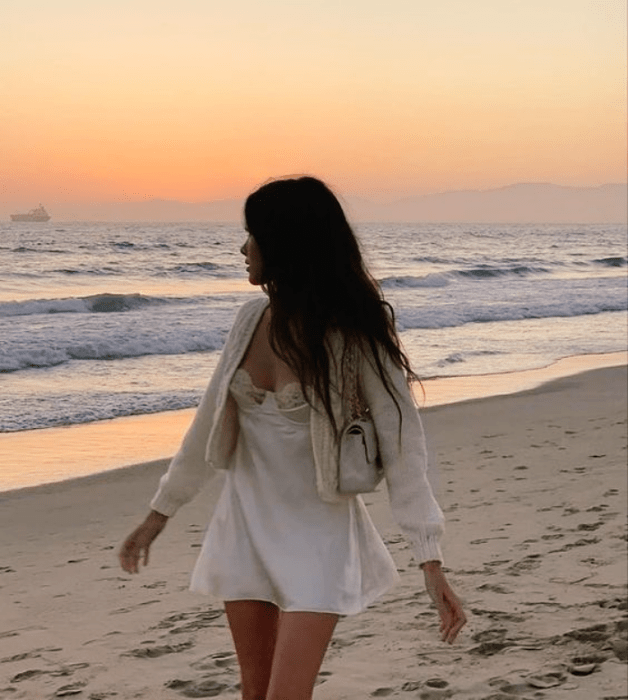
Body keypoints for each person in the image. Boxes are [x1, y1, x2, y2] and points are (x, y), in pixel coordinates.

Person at [119, 176, 466, 700]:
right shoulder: (249, 319)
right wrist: (157, 516)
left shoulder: (352, 335)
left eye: (252, 234)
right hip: (244, 526)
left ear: (285, 242)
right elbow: (208, 420)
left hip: (319, 535)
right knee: (254, 692)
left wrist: (430, 563)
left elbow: (404, 449)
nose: (243, 248)